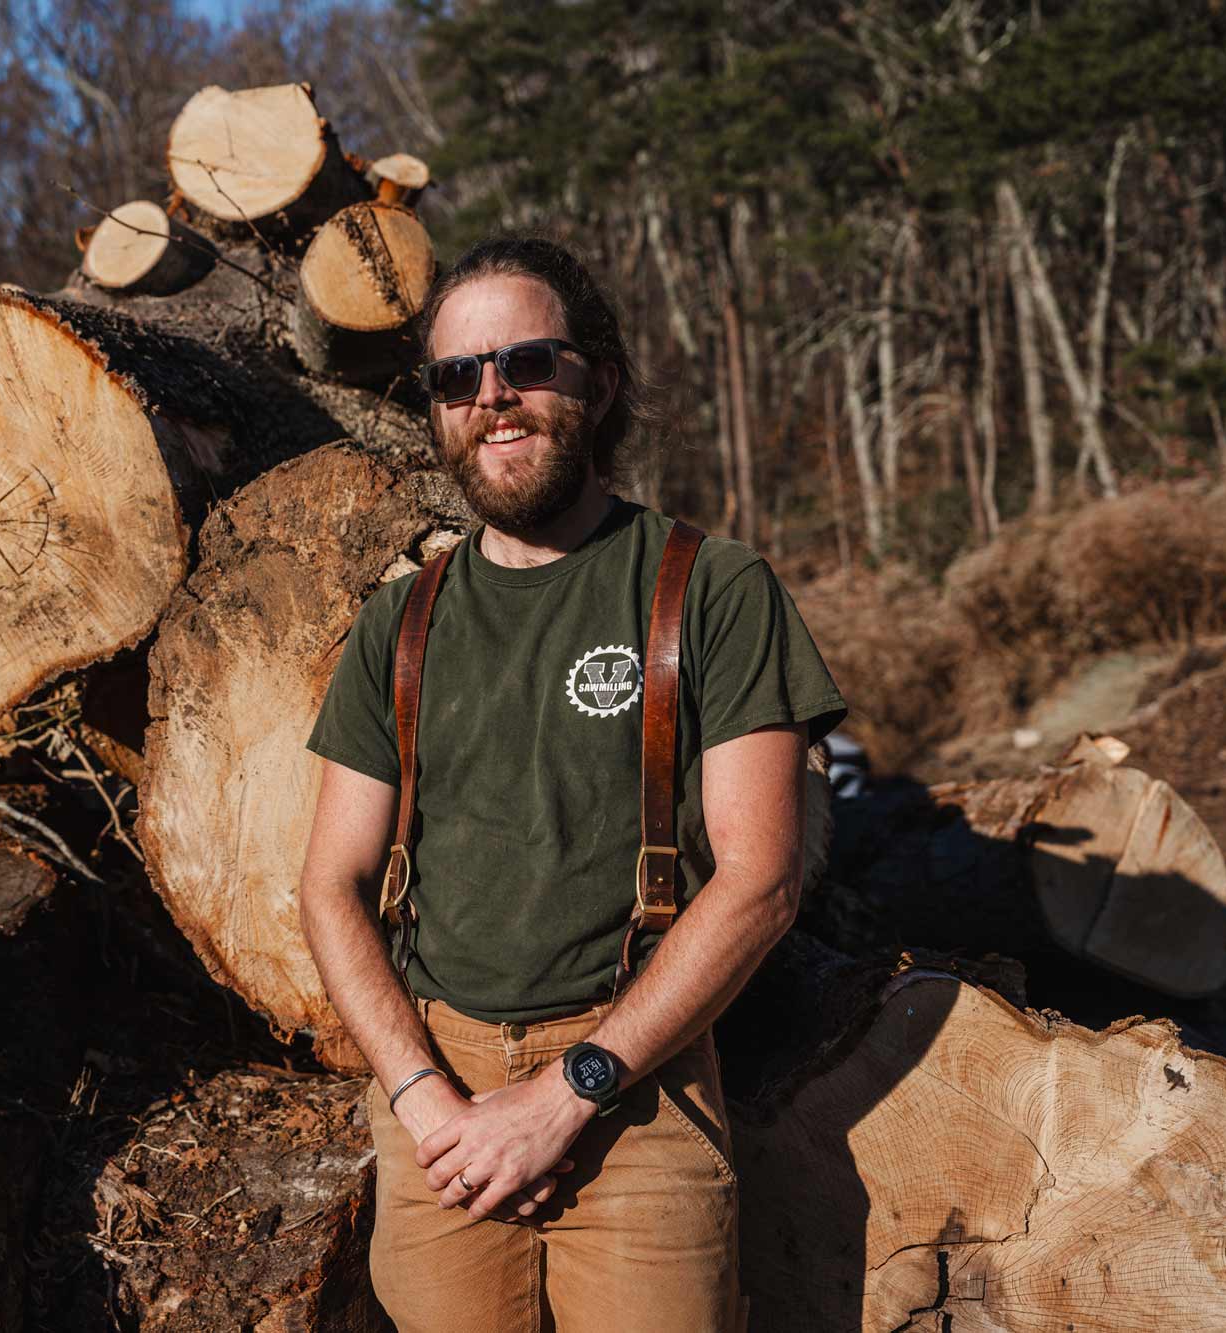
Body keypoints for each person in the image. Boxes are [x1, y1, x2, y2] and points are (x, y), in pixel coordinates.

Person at [298, 235, 846, 1331]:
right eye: (457, 377)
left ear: (596, 379)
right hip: (436, 1103)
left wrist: (566, 1096)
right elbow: (329, 886)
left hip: (633, 1085)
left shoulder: (710, 589)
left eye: (526, 363)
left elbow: (761, 880)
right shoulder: (399, 622)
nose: (491, 396)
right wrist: (421, 1095)